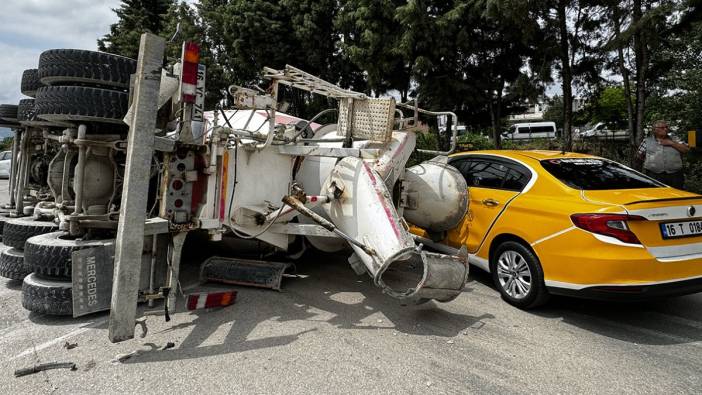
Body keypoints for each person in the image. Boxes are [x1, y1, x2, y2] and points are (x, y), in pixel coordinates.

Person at [638, 120, 690, 189]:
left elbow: (686, 150)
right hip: (654, 175)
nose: (665, 129)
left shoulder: (676, 139)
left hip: (675, 175)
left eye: (666, 127)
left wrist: (671, 143)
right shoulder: (647, 141)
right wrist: (652, 163)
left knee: (676, 195)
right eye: (662, 127)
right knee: (657, 195)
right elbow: (639, 155)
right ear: (654, 130)